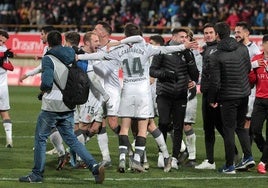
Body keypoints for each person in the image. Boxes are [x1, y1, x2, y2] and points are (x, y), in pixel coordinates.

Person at [19, 30, 105, 184]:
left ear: (49, 43)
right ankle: (94, 166)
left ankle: (37, 174)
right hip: (69, 103)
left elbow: (46, 82)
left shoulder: (48, 58)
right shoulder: (72, 54)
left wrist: (42, 91)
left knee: (40, 138)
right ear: (61, 40)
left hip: (52, 105)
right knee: (72, 140)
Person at [208, 22, 255, 174]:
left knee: (228, 129)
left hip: (228, 97)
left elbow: (215, 81)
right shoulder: (242, 48)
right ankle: (248, 156)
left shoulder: (216, 55)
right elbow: (248, 68)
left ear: (217, 35)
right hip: (244, 93)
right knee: (240, 127)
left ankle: (229, 166)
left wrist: (212, 99)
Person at [149, 27, 199, 170]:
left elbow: (195, 76)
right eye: (182, 37)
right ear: (174, 37)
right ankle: (162, 154)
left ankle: (175, 158)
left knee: (178, 127)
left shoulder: (187, 53)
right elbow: (152, 70)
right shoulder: (162, 50)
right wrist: (166, 74)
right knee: (163, 123)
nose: (184, 39)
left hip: (180, 96)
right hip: (164, 94)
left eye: (186, 37)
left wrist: (190, 60)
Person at [234, 21, 261, 146]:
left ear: (247, 33)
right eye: (235, 32)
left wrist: (253, 65)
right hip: (238, 90)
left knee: (247, 122)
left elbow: (256, 71)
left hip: (250, 91)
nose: (236, 35)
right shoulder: (236, 47)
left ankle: (248, 154)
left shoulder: (254, 50)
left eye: (239, 32)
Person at [248, 34, 268, 174]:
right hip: (260, 100)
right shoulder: (257, 59)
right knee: (254, 131)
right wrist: (252, 69)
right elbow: (251, 82)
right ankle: (266, 153)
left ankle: (263, 162)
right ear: (264, 45)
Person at [0, 29, 14, 148]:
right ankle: (9, 138)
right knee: (4, 113)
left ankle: (9, 139)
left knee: (4, 113)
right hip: (3, 88)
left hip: (2, 87)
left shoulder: (4, 50)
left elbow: (11, 67)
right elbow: (10, 67)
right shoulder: (4, 51)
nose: (3, 42)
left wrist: (2, 62)